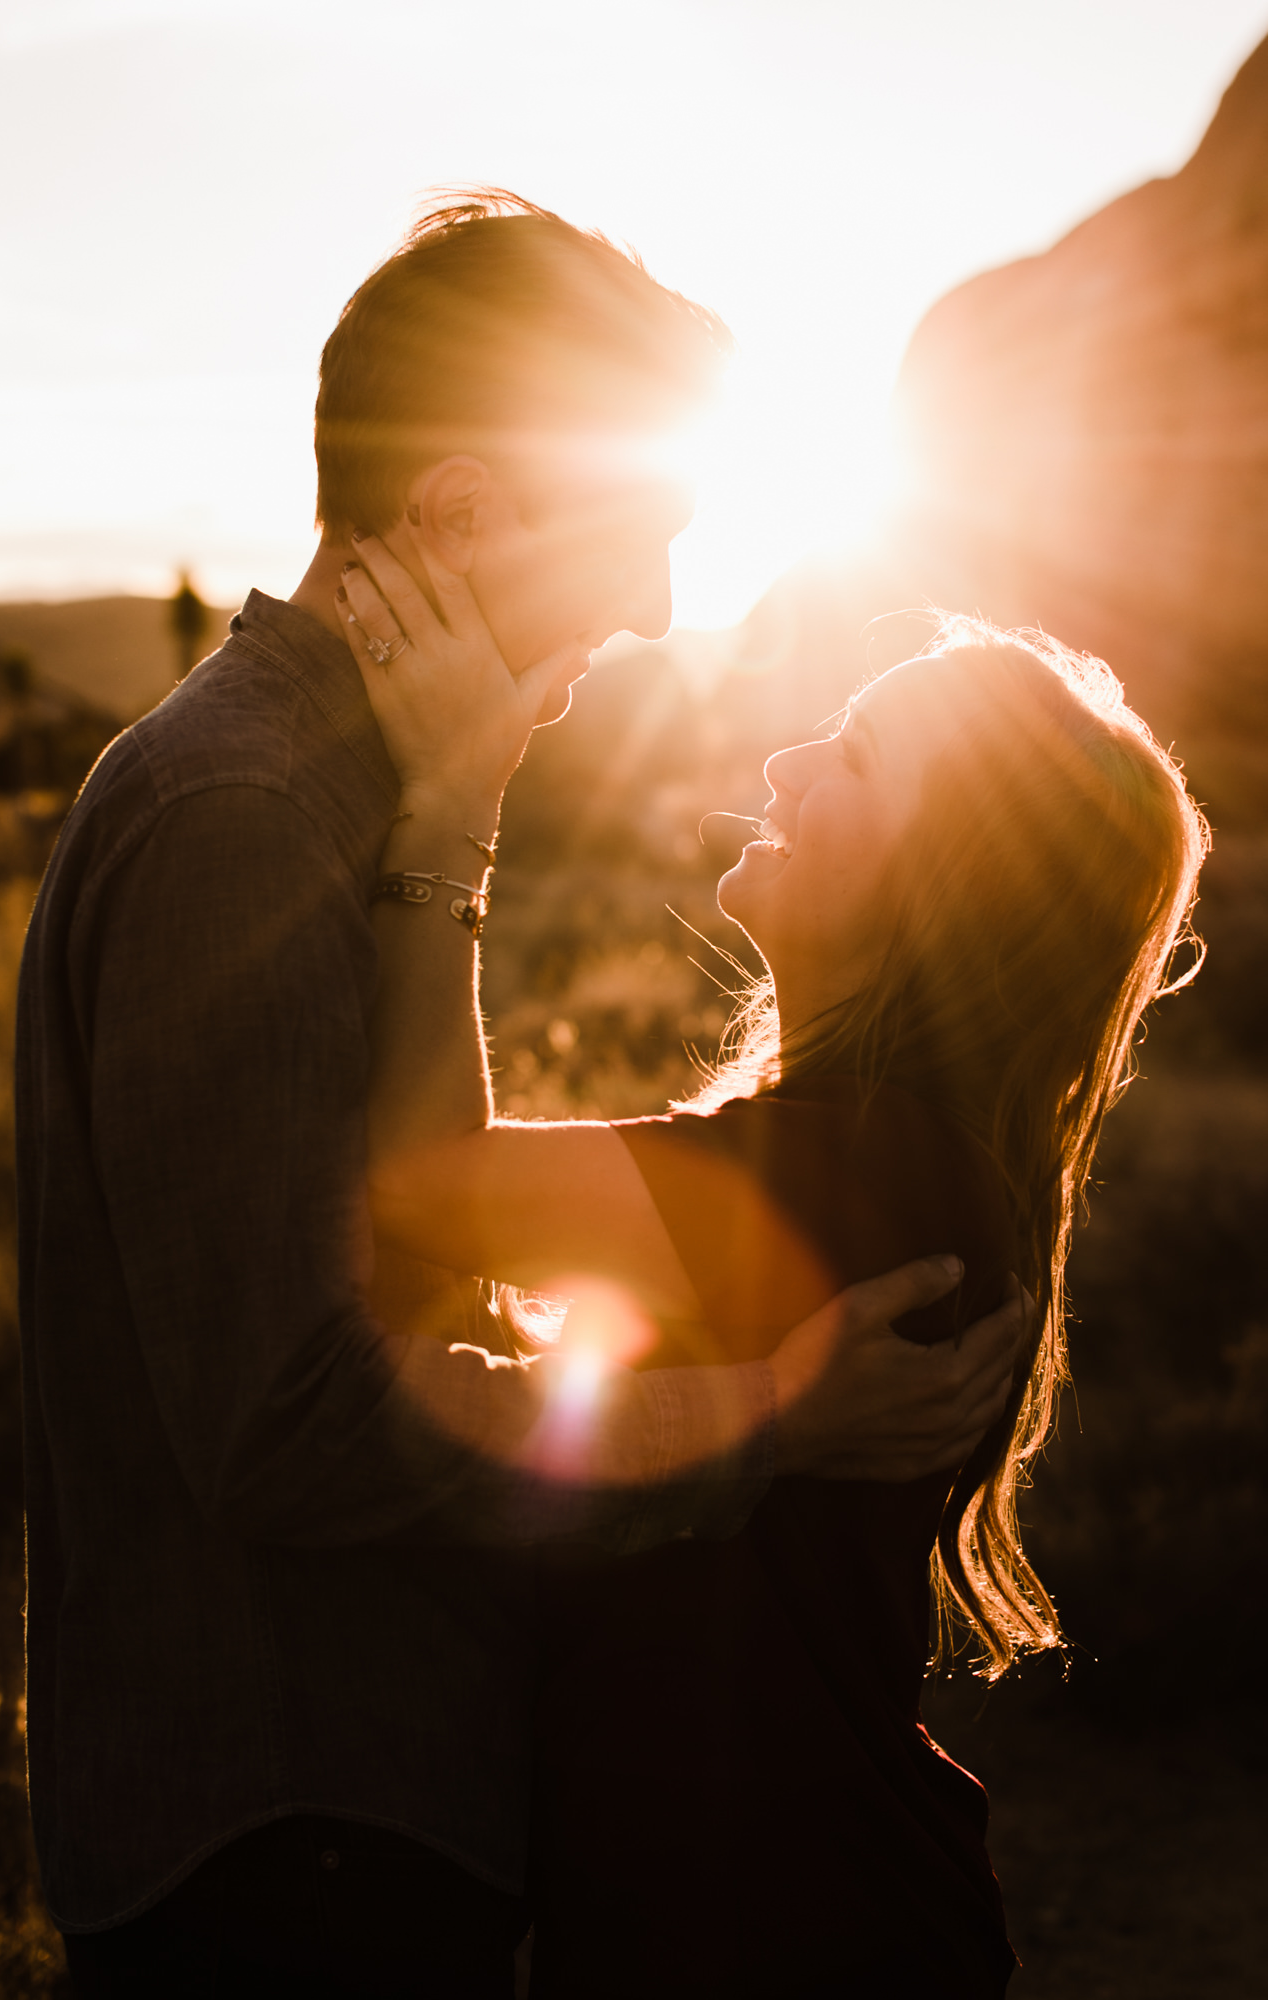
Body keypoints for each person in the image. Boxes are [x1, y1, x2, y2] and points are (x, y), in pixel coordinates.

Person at [15, 192, 1024, 1997]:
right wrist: (754, 1421)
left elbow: (412, 1227)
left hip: (348, 1821)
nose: (654, 614)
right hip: (287, 1839)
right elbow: (289, 1421)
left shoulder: (349, 804)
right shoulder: (244, 818)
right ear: (462, 510)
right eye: (643, 539)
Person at [340, 544, 1208, 1996]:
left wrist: (451, 807)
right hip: (771, 1911)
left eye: (857, 755)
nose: (795, 753)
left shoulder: (860, 1174)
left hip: (781, 1931)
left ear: (941, 882)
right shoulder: (874, 1154)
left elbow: (418, 1182)